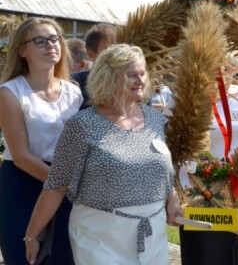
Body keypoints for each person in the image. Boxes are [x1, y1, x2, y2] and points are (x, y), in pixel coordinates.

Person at [25, 44, 182, 264]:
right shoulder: (82, 125)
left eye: (142, 73)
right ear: (109, 78)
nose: (140, 81)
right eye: (131, 75)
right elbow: (56, 185)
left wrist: (172, 199)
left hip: (152, 233)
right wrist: (32, 235)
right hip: (99, 234)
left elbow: (160, 166)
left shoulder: (154, 119)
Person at [0, 17, 82, 264]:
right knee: (25, 260)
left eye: (55, 39)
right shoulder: (10, 92)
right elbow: (22, 156)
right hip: (22, 185)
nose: (51, 45)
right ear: (22, 50)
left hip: (64, 187)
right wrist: (65, 186)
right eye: (40, 40)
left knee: (64, 259)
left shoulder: (74, 92)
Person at [179, 58, 238, 265]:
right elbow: (176, 148)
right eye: (216, 64)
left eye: (226, 65)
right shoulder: (192, 99)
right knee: (204, 255)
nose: (221, 71)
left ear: (236, 68)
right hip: (202, 192)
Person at [71, 23, 116, 110]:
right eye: (109, 50)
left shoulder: (134, 84)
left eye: (120, 48)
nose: (117, 54)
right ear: (91, 54)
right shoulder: (74, 84)